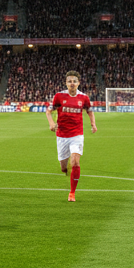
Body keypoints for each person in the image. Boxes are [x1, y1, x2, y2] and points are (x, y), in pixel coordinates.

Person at [45, 70, 97, 202]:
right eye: (69, 81)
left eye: (74, 81)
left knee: (75, 161)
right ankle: (67, 168)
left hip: (77, 134)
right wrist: (51, 123)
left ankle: (72, 193)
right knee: (63, 167)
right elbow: (49, 111)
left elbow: (89, 111)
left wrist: (93, 124)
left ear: (79, 83)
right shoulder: (59, 96)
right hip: (62, 135)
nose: (72, 83)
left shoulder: (84, 97)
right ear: (66, 83)